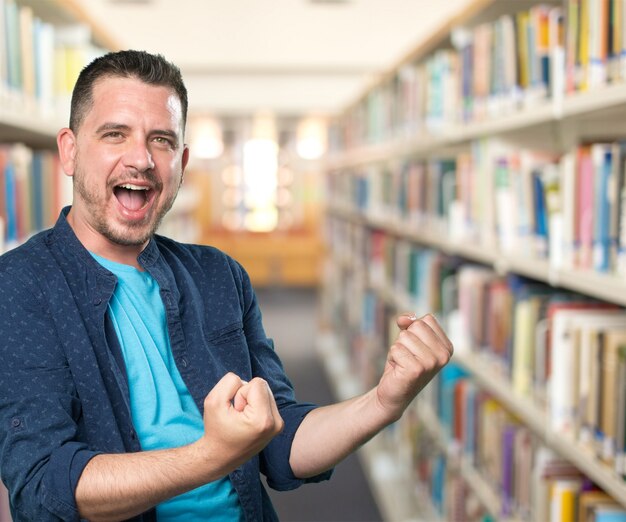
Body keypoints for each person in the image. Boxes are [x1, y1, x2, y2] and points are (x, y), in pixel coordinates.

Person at [0, 50, 453, 522]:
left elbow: (279, 442)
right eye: (115, 134)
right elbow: (43, 487)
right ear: (70, 150)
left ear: (182, 161)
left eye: (162, 140)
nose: (141, 159)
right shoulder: (19, 287)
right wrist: (214, 455)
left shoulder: (219, 276)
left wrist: (383, 401)